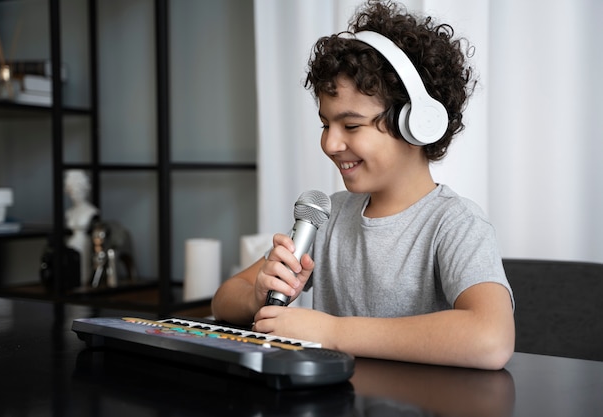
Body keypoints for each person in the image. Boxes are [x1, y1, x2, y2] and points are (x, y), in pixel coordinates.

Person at [212, 0, 514, 370]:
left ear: (417, 124)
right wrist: (256, 294)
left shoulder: (455, 224)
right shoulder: (330, 215)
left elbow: (491, 339)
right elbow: (224, 298)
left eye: (351, 126)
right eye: (325, 125)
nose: (330, 144)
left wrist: (334, 333)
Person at [64, 169, 99, 287]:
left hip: (84, 245)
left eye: (78, 189)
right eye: (72, 190)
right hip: (71, 244)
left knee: (83, 274)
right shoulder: (70, 212)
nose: (75, 193)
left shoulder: (90, 211)